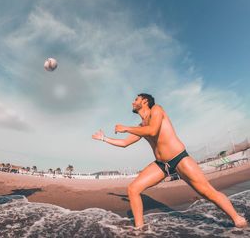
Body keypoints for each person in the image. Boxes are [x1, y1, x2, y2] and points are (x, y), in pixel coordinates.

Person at [92, 93, 247, 228]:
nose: (133, 102)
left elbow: (153, 130)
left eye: (136, 99)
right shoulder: (140, 126)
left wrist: (126, 128)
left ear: (145, 101)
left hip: (179, 159)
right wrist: (104, 138)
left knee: (207, 192)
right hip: (161, 165)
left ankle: (237, 219)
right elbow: (125, 143)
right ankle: (139, 229)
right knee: (133, 189)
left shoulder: (157, 110)